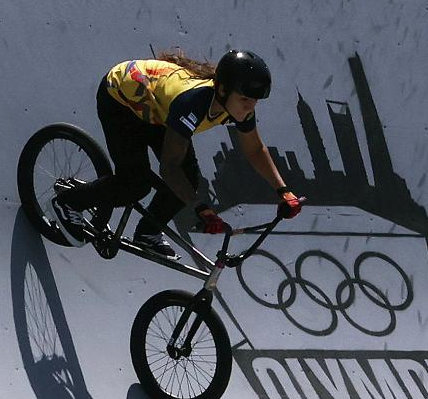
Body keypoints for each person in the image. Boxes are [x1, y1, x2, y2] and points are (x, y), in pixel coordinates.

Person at [51, 49, 303, 257]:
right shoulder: (192, 104)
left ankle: (147, 232)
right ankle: (69, 202)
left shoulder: (238, 107)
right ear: (223, 91)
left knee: (189, 179)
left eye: (255, 101)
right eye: (246, 100)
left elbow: (255, 150)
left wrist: (283, 191)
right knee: (135, 184)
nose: (251, 107)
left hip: (159, 109)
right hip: (121, 100)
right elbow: (169, 168)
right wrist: (200, 208)